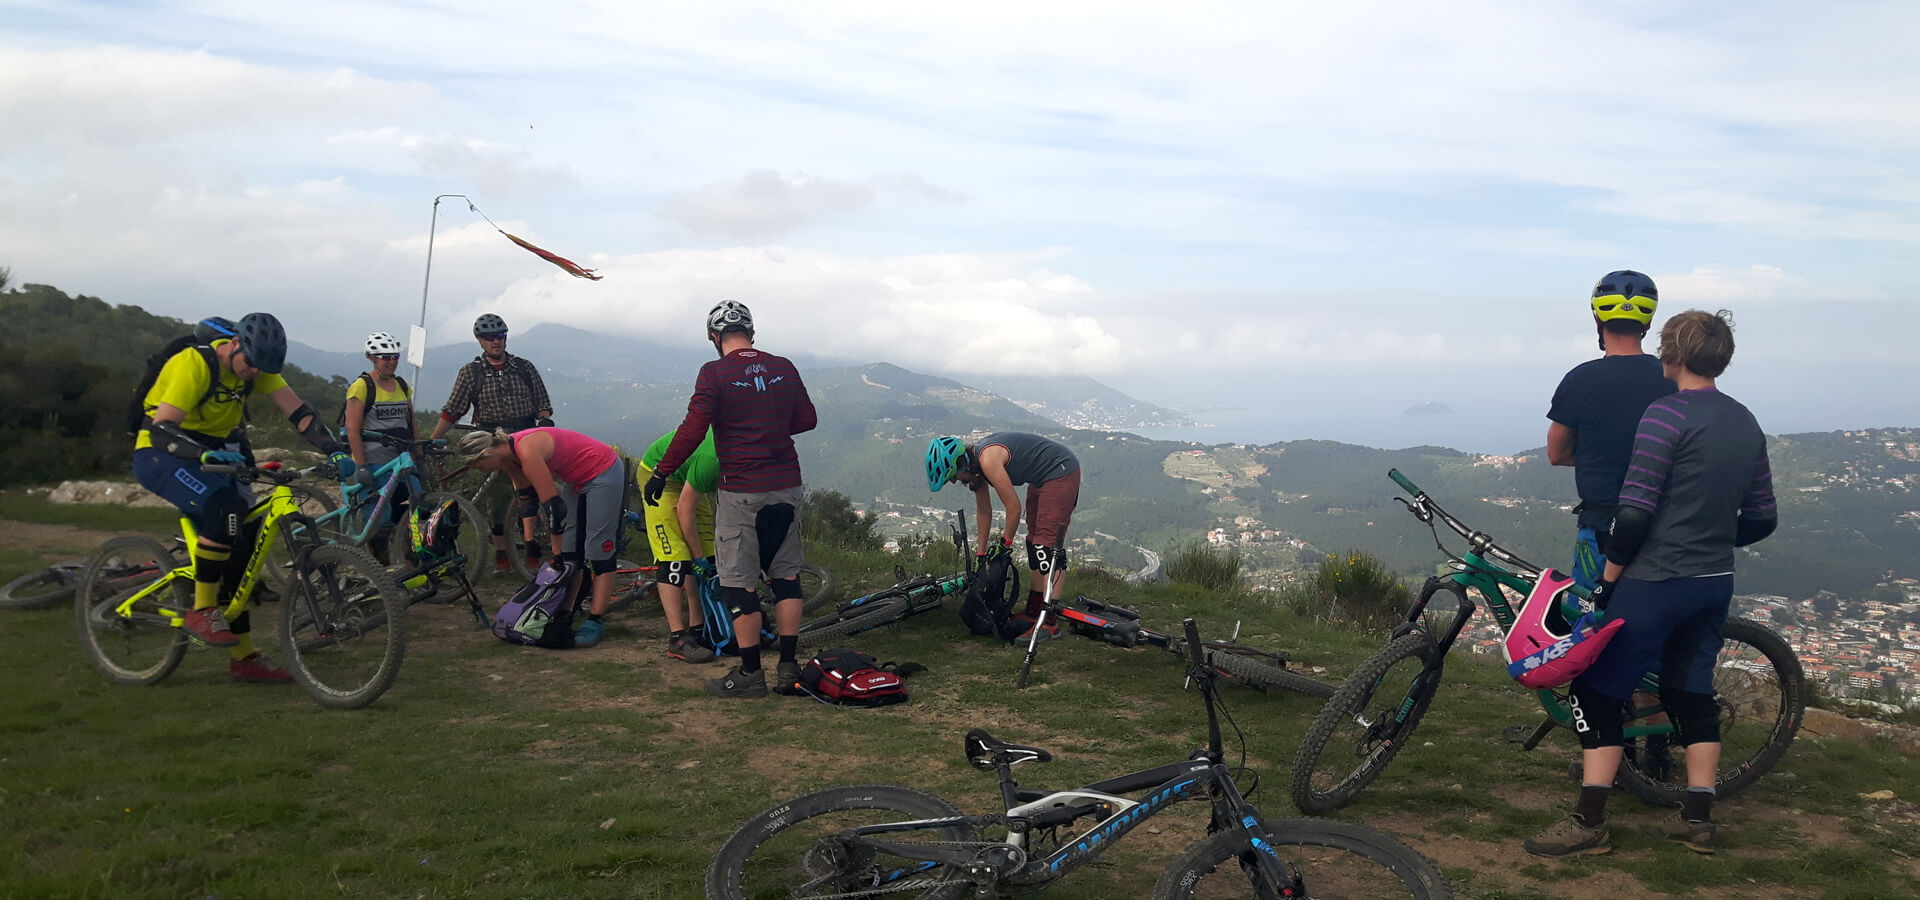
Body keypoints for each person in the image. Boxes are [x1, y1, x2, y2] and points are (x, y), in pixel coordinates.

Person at [1524, 310, 1777, 859]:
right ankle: (1697, 820)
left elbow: (1634, 515)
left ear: (1674, 355)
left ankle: (1589, 826)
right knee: (1689, 690)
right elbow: (1762, 518)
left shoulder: (1666, 416)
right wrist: (1708, 536)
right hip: (1713, 580)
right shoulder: (1745, 421)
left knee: (1597, 692)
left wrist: (1608, 581)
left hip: (1655, 578)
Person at [132, 312, 356, 683]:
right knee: (226, 511)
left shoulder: (258, 366)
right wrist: (203, 454)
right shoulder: (195, 364)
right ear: (235, 344)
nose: (253, 372)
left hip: (221, 451)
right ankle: (202, 609)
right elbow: (163, 429)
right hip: (163, 452)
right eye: (249, 363)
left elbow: (298, 413)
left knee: (244, 549)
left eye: (261, 367)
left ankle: (243, 657)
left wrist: (334, 450)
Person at [643, 300, 818, 699]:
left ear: (714, 337)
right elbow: (807, 419)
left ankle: (750, 674)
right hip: (787, 484)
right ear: (753, 334)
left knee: (739, 584)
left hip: (741, 490)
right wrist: (771, 425)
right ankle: (788, 669)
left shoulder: (714, 373)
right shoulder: (783, 366)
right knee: (786, 576)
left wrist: (662, 472)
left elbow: (691, 430)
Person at [1547, 270, 1677, 592]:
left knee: (1590, 629)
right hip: (1666, 531)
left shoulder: (1580, 380)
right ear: (1647, 323)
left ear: (1597, 318)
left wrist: (1599, 456)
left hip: (1602, 527)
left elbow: (1557, 453)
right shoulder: (1673, 379)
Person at [463, 426, 625, 647]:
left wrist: (555, 553)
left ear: (487, 453)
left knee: (599, 549)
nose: (480, 470)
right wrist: (529, 541)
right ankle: (565, 614)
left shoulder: (526, 452)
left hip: (603, 470)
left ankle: (595, 620)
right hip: (576, 479)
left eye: (479, 466)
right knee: (571, 557)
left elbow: (554, 509)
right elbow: (526, 500)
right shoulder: (509, 459)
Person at [430, 313, 554, 573]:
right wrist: (433, 441)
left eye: (499, 336)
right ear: (480, 341)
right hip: (492, 441)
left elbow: (543, 404)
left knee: (531, 493)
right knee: (498, 499)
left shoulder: (524, 368)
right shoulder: (471, 373)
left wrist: (544, 422)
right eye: (488, 338)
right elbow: (452, 410)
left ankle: (534, 553)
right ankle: (502, 556)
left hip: (525, 437)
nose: (495, 342)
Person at [926, 432, 1080, 640]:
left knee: (1046, 547)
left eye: (953, 476)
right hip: (1041, 478)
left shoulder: (987, 460)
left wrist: (1005, 543)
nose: (954, 482)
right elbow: (984, 512)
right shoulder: (978, 471)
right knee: (1032, 542)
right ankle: (1034, 611)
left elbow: (1013, 508)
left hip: (1060, 471)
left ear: (962, 464)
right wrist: (981, 553)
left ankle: (1049, 622)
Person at [636, 427, 721, 663]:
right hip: (657, 475)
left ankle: (698, 628)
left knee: (708, 553)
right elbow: (685, 510)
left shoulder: (747, 453)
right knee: (675, 557)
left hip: (687, 478)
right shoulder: (711, 461)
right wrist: (695, 555)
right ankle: (678, 639)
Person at [343, 331, 415, 564]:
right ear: (373, 358)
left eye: (394, 356)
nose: (391, 361)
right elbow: (352, 428)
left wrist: (420, 452)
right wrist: (361, 465)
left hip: (401, 458)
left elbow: (411, 420)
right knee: (380, 518)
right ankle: (378, 562)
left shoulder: (402, 385)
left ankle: (412, 560)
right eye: (385, 357)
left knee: (413, 509)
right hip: (375, 459)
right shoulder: (362, 386)